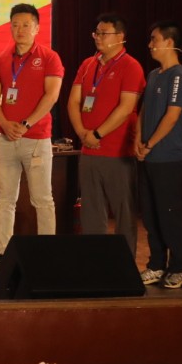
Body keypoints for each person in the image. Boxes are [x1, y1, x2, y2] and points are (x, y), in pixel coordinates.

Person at [0, 4, 65, 267]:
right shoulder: (1, 58)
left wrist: (26, 124)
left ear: (37, 28)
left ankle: (47, 255)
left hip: (37, 139)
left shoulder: (50, 57)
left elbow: (52, 95)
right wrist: (5, 124)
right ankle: (3, 253)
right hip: (5, 138)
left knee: (42, 199)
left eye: (26, 25)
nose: (20, 30)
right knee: (5, 199)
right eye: (15, 25)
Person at [66, 13, 145, 242]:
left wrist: (98, 134)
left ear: (120, 36)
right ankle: (95, 258)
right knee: (91, 212)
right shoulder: (88, 64)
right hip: (89, 149)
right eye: (96, 33)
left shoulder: (131, 66)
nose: (98, 37)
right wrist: (82, 133)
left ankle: (124, 260)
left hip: (117, 152)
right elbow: (73, 101)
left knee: (123, 211)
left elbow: (126, 107)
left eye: (104, 33)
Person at [134, 21, 182, 288]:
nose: (150, 44)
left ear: (169, 42)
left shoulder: (179, 76)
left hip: (168, 157)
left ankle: (178, 267)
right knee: (150, 214)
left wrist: (150, 144)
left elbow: (172, 115)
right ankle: (156, 264)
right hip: (148, 156)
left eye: (154, 39)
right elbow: (144, 111)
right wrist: (138, 140)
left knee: (169, 213)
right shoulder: (154, 75)